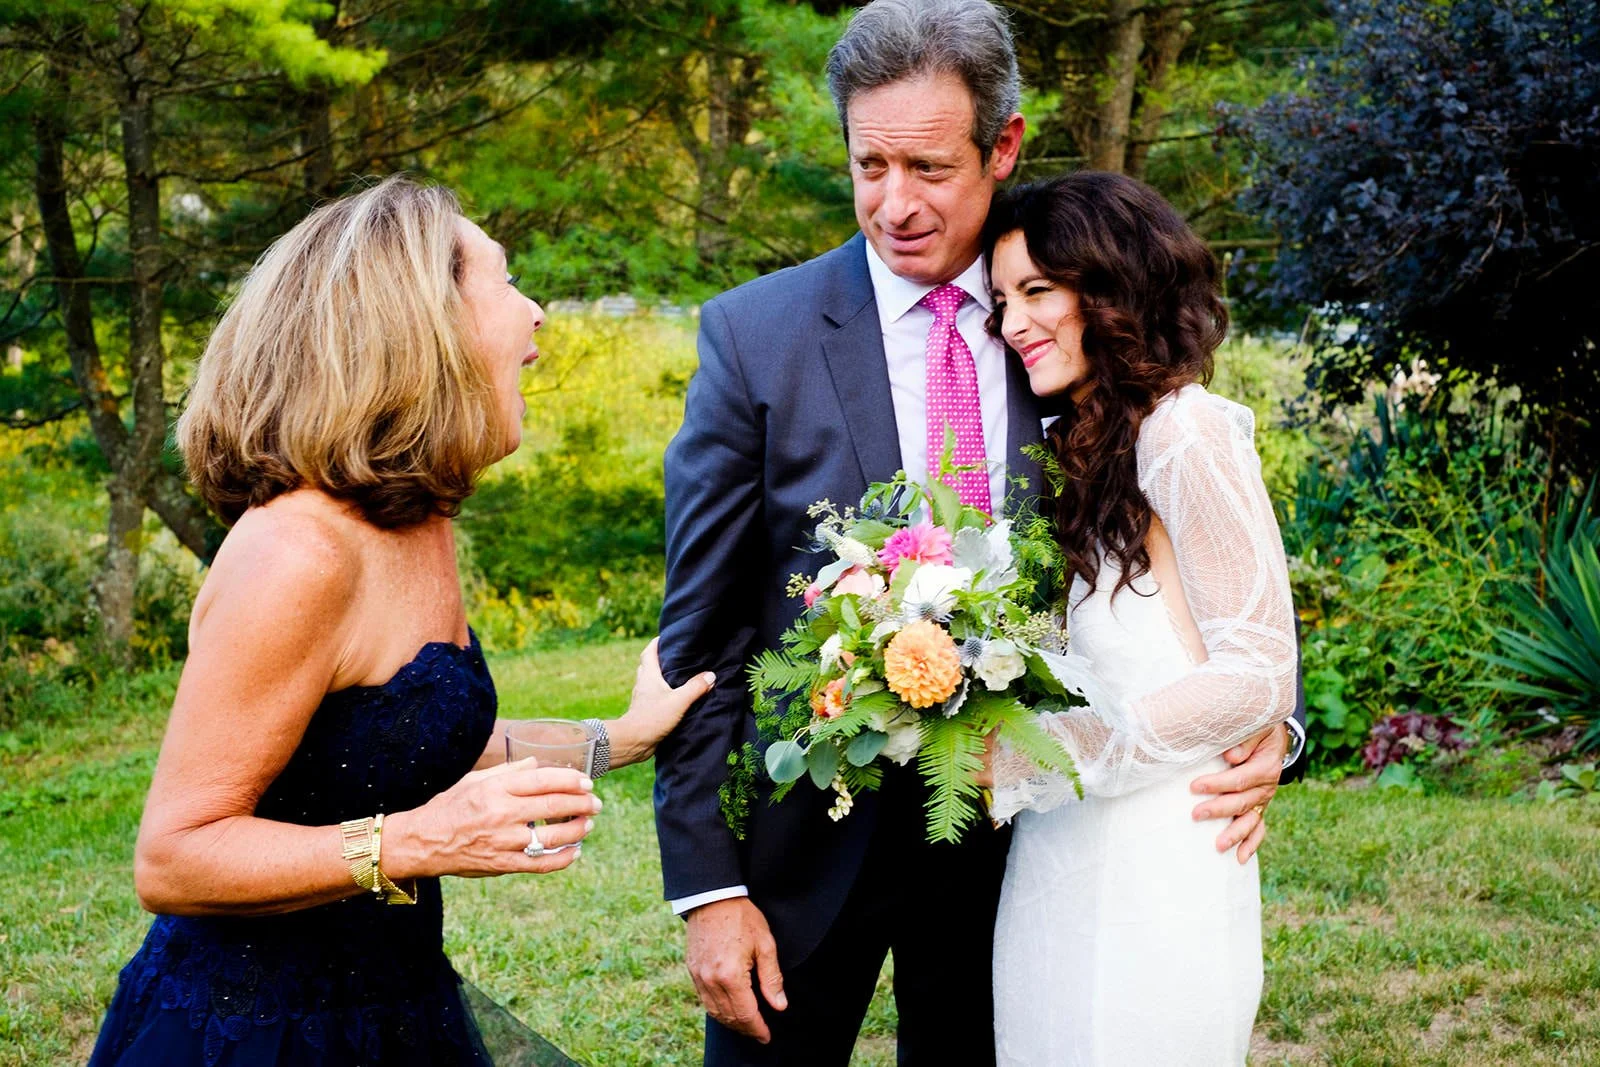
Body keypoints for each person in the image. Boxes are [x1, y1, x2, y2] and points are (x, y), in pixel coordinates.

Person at [652, 2, 1306, 1063]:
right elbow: (701, 631)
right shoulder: (754, 336)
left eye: (929, 167)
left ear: (1002, 146)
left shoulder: (1068, 321)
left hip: (1023, 849)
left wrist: (1269, 727)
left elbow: (1210, 561)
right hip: (800, 853)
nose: (895, 203)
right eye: (869, 165)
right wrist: (707, 887)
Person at [88, 176, 715, 1067]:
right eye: (505, 282)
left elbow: (402, 739)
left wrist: (618, 737)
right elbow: (173, 858)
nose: (536, 313)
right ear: (424, 327)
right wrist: (422, 839)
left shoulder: (418, 517)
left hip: (397, 1006)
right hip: (256, 1032)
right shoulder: (297, 553)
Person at [979, 171, 1299, 1064]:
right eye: (1001, 300)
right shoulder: (1078, 447)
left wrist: (1034, 757)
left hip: (1158, 859)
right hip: (1057, 856)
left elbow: (1258, 669)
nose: (1012, 323)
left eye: (1037, 290)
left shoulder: (1185, 433)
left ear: (1113, 286)